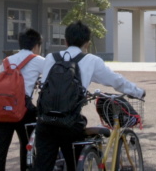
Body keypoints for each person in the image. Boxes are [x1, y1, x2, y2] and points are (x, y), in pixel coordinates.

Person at [33, 21, 146, 171]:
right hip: (70, 123)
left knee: (42, 166)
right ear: (87, 43)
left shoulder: (50, 58)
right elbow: (116, 80)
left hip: (45, 121)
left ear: (65, 41)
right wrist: (138, 91)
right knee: (75, 162)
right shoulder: (91, 60)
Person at [0, 28, 46, 171]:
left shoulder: (6, 61)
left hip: (1, 108)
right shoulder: (38, 60)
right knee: (27, 147)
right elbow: (50, 77)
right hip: (23, 110)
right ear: (36, 46)